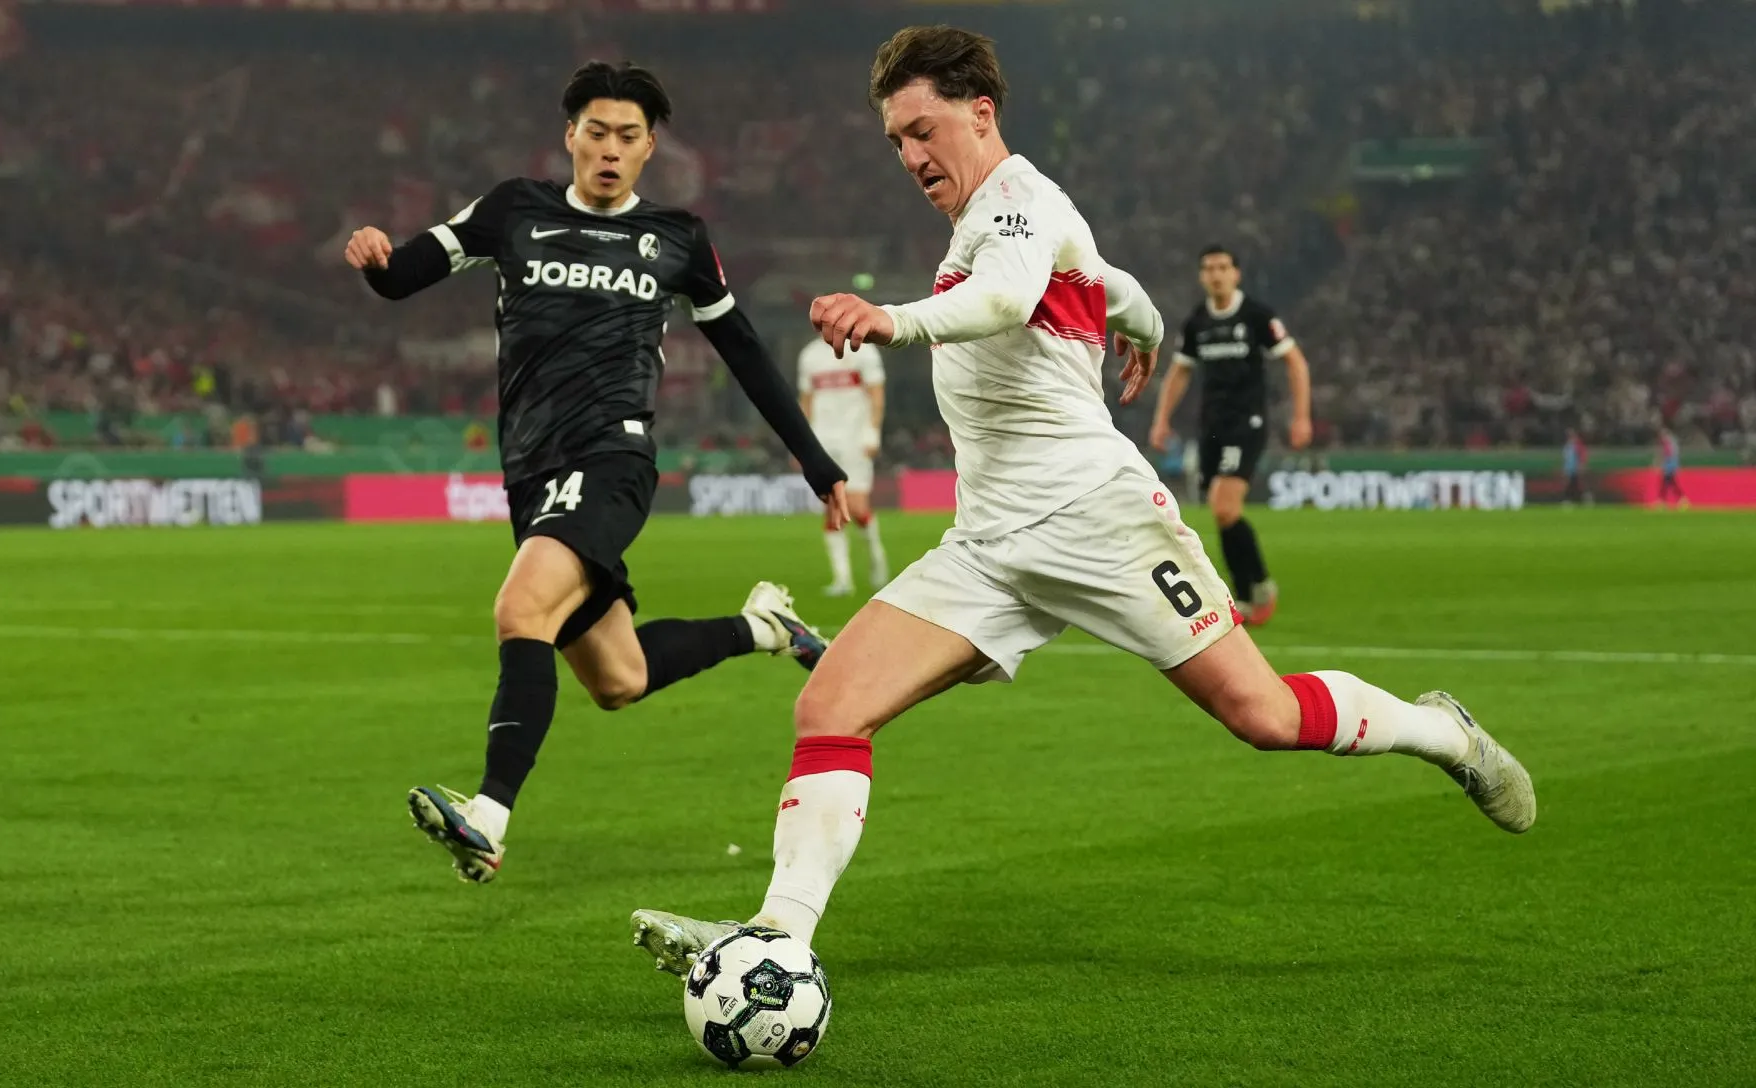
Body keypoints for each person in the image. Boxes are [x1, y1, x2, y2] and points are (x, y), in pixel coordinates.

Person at [629, 25, 1535, 971]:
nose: (909, 157)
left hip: (1098, 520)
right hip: (988, 546)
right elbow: (1111, 282)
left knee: (1262, 716)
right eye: (896, 140)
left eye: (923, 130)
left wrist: (892, 319)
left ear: (981, 111)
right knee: (830, 707)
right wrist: (1138, 323)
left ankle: (1444, 733)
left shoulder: (1019, 200)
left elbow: (1010, 299)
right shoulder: (991, 224)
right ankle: (776, 941)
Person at [345, 61, 850, 886]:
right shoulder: (514, 211)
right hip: (531, 472)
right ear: (569, 137)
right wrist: (375, 258)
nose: (610, 150)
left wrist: (814, 459)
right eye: (597, 132)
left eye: (629, 137)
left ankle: (488, 816)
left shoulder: (677, 238)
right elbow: (404, 275)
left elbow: (745, 352)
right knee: (620, 679)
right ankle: (765, 628)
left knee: (520, 608)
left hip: (611, 458)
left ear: (650, 147)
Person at [1148, 247, 1311, 626]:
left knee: (1225, 507)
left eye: (1223, 267)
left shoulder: (1257, 316)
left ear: (1236, 274)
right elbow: (1180, 372)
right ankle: (1250, 590)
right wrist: (1161, 420)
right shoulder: (1197, 323)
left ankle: (1253, 589)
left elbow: (1295, 362)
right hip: (1213, 427)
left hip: (1247, 423)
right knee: (1221, 514)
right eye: (1208, 268)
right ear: (1201, 277)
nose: (1216, 274)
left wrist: (1301, 417)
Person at [796, 334, 890, 595]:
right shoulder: (809, 355)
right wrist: (802, 443)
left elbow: (876, 393)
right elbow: (806, 401)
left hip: (855, 438)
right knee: (832, 507)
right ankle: (842, 579)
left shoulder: (863, 352)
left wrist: (873, 432)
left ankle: (875, 556)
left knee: (858, 506)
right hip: (823, 440)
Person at [1655, 426, 1687, 509]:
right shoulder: (1670, 443)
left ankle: (1663, 501)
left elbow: (1670, 456)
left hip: (1670, 466)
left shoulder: (1669, 444)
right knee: (1669, 484)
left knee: (1667, 483)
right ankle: (1680, 499)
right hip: (1670, 465)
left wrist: (1667, 467)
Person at [1563, 427, 1588, 505]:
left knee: (1575, 484)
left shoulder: (1577, 445)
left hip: (1575, 468)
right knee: (1573, 484)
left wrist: (1581, 465)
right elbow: (1566, 458)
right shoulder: (1567, 445)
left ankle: (1582, 498)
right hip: (1569, 468)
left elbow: (1582, 455)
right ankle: (1580, 499)